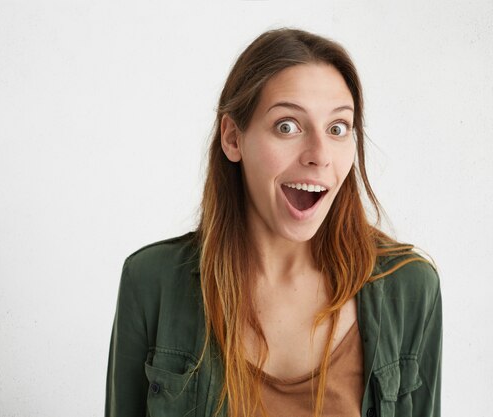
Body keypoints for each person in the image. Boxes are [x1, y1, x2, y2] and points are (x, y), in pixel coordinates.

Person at [105, 28, 442, 417]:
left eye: (337, 128)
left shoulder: (412, 287)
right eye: (288, 126)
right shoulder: (151, 282)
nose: (319, 154)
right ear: (233, 138)